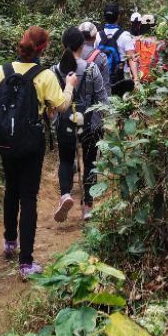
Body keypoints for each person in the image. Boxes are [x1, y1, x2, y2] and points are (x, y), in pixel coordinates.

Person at [0, 26, 76, 278]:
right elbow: (63, 105)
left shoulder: (2, 71)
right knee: (29, 197)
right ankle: (26, 263)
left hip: (5, 142)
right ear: (42, 48)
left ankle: (9, 242)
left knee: (11, 190)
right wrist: (69, 85)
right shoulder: (44, 75)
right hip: (31, 143)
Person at [52, 26, 108, 222]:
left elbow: (52, 101)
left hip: (64, 123)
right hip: (90, 124)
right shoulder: (92, 68)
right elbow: (103, 99)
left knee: (66, 160)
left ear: (62, 45)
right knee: (90, 161)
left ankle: (66, 195)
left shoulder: (54, 70)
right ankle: (88, 206)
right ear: (82, 45)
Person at [96, 3, 139, 96]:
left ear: (104, 17)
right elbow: (132, 59)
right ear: (118, 17)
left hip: (102, 80)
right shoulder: (125, 35)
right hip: (122, 81)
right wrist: (136, 79)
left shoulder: (97, 35)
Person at [79, 20, 111, 99]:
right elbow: (105, 84)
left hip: (75, 104)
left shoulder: (71, 55)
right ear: (95, 37)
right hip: (94, 105)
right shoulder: (101, 57)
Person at [135, 13, 162, 81]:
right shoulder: (158, 41)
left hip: (141, 78)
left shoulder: (137, 40)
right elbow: (160, 62)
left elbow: (135, 61)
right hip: (155, 78)